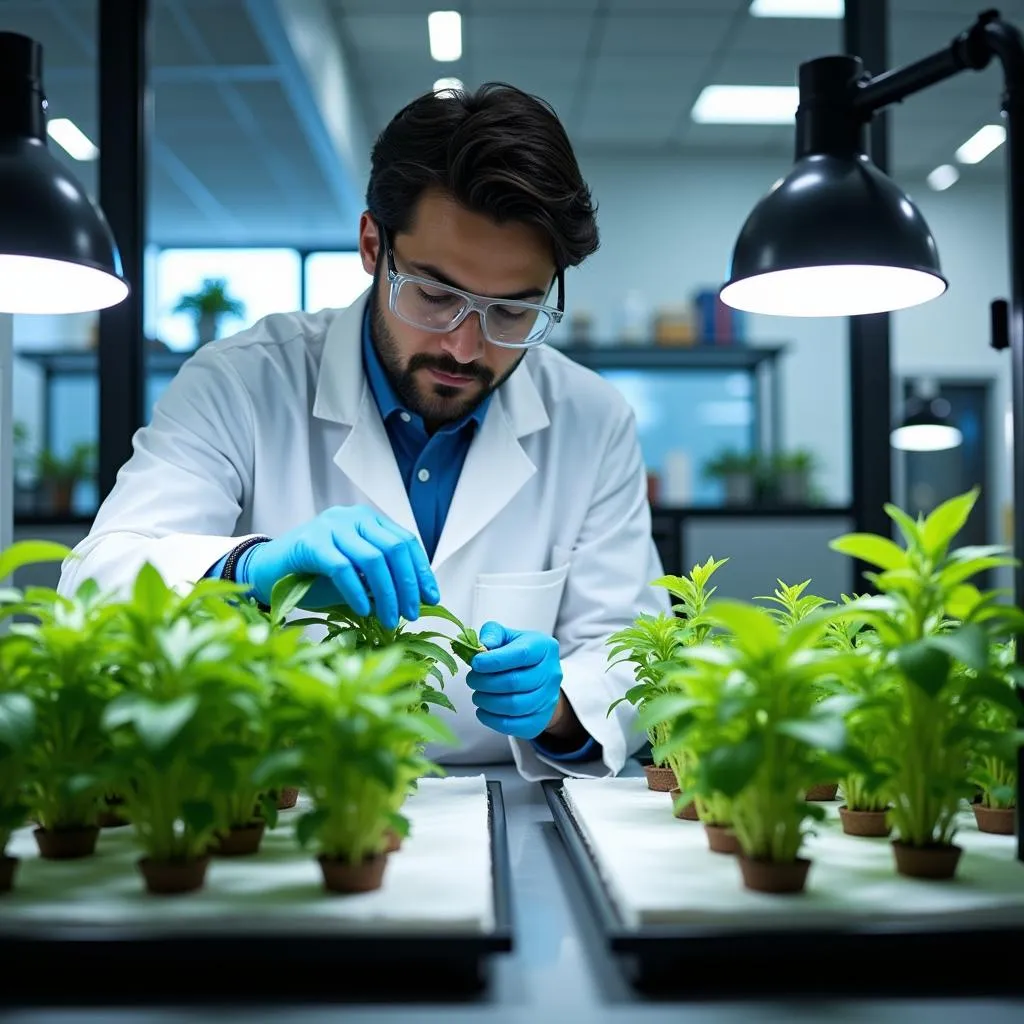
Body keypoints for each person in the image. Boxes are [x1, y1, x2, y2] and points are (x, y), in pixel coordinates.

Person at [58, 83, 670, 780]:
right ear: (373, 245)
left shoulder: (591, 419)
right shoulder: (241, 382)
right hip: (291, 802)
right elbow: (97, 578)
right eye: (436, 296)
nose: (466, 349)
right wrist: (248, 568)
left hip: (508, 806)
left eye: (511, 312)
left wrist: (560, 704)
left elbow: (625, 648)